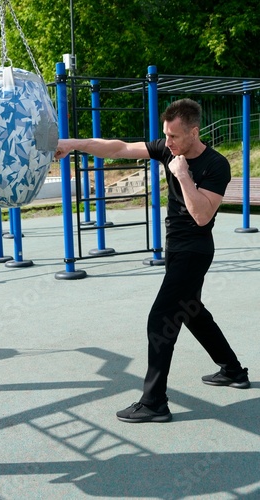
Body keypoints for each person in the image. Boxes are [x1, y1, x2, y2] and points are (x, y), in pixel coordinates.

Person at [54, 98, 250, 423]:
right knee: (192, 312)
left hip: (195, 252)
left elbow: (202, 216)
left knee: (161, 319)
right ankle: (233, 371)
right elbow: (118, 149)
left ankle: (154, 402)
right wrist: (73, 144)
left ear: (194, 131)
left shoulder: (216, 165)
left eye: (174, 137)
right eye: (166, 136)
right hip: (176, 249)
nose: (168, 143)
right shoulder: (167, 149)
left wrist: (184, 176)